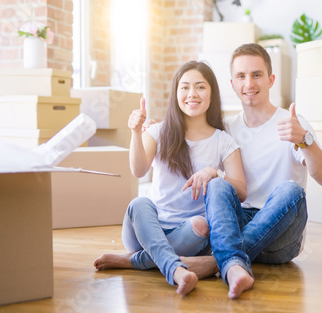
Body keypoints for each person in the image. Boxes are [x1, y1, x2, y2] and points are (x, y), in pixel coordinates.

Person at [182, 43, 322, 299]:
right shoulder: (226, 128)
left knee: (291, 190)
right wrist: (157, 131)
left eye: (256, 75)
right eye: (241, 76)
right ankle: (234, 264)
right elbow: (188, 140)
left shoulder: (293, 124)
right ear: (232, 84)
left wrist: (305, 140)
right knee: (218, 183)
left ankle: (219, 262)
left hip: (281, 238)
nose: (249, 83)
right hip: (237, 225)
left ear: (270, 79)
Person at [93, 60, 247, 296]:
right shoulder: (158, 131)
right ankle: (175, 268)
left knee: (201, 225)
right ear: (176, 93)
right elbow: (138, 170)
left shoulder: (223, 141)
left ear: (212, 93)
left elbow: (241, 191)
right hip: (146, 230)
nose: (191, 94)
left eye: (200, 87)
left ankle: (133, 261)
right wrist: (135, 132)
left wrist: (215, 173)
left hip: (188, 236)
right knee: (139, 203)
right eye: (184, 87)